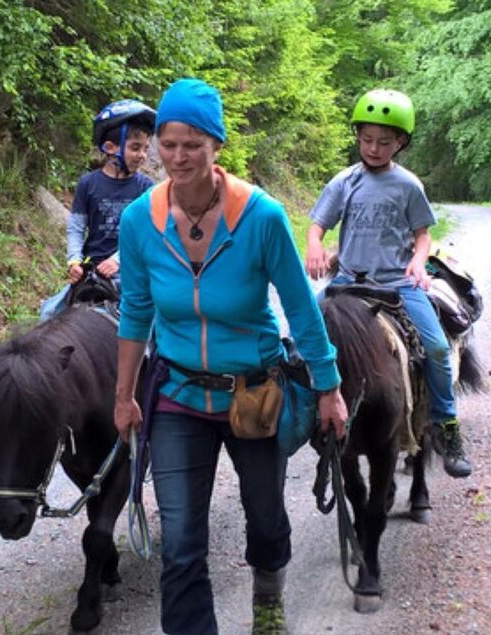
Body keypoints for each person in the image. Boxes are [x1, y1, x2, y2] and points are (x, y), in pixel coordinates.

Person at [113, 78, 349, 635]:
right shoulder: (139, 221)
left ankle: (267, 595)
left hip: (254, 394)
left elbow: (301, 308)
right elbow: (135, 313)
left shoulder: (261, 217)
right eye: (168, 144)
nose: (178, 157)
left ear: (216, 145)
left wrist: (329, 388)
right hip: (178, 394)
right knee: (181, 543)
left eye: (192, 144)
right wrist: (123, 396)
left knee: (265, 520)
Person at [304, 88, 473, 479]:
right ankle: (298, 415)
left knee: (435, 347)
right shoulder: (344, 181)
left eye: (384, 142)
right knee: (298, 337)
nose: (374, 148)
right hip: (347, 282)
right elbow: (317, 225)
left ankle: (446, 427)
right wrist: (314, 245)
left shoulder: (408, 185)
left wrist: (417, 261)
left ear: (401, 143)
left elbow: (423, 235)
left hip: (398, 285)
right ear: (357, 136)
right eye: (366, 139)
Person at [39, 99, 156, 320]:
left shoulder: (146, 188)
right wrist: (74, 260)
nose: (142, 155)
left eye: (146, 149)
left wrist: (117, 261)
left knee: (151, 320)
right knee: (48, 313)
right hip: (92, 269)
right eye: (135, 147)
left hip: (129, 270)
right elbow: (76, 227)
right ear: (110, 148)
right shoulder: (88, 183)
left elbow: (146, 234)